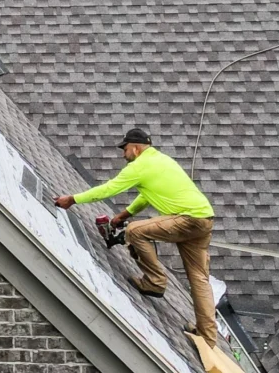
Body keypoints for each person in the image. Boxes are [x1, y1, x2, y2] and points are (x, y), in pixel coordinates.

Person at [53, 128, 218, 348]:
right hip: (205, 219)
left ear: (136, 148)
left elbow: (108, 189)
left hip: (187, 219)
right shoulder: (161, 160)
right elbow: (146, 195)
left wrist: (72, 199)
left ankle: (155, 282)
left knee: (135, 231)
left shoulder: (139, 166)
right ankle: (208, 337)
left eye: (125, 149)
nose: (123, 154)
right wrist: (123, 214)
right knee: (199, 278)